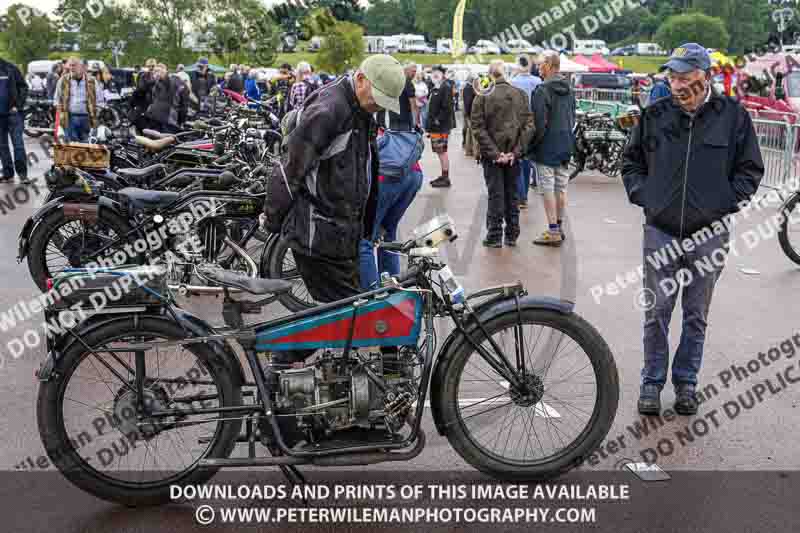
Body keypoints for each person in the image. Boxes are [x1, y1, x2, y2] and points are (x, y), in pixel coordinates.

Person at [622, 43, 764, 416]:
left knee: (696, 314)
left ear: (705, 78)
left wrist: (725, 203)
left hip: (709, 233)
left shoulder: (733, 116)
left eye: (685, 76)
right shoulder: (655, 115)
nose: (677, 83)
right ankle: (651, 382)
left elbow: (750, 168)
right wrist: (646, 197)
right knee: (657, 311)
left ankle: (686, 383)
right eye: (673, 76)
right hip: (661, 231)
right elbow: (631, 162)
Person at [264, 54, 405, 321]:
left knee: (345, 316)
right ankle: (291, 350)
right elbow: (289, 167)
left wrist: (366, 227)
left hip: (341, 234)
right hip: (319, 235)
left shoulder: (360, 109)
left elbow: (365, 168)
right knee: (349, 318)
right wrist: (273, 219)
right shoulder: (330, 109)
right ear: (361, 79)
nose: (378, 106)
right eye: (378, 97)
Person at [471, 60, 534, 248]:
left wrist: (495, 154)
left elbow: (477, 127)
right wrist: (515, 152)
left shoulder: (482, 96)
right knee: (512, 194)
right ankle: (512, 234)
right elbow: (529, 126)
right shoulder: (520, 95)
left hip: (493, 155)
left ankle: (495, 235)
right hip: (513, 153)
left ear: (490, 74)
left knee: (496, 194)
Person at [528, 51, 576, 247]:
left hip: (547, 144)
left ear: (548, 66)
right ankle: (559, 225)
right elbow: (573, 116)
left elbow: (539, 123)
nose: (538, 68)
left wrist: (531, 145)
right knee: (561, 187)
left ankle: (553, 230)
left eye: (540, 65)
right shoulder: (569, 88)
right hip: (565, 143)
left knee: (547, 188)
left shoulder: (542, 90)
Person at [510, 54, 542, 209]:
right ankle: (527, 192)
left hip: (517, 123)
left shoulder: (513, 82)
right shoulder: (537, 81)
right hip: (533, 122)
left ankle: (521, 196)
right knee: (528, 158)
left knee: (518, 158)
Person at [54, 58, 98, 143]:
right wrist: (61, 117)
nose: (71, 68)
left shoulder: (92, 81)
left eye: (74, 65)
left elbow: (100, 100)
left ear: (81, 67)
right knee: (72, 146)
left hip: (87, 119)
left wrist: (96, 114)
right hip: (70, 119)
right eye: (70, 65)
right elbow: (57, 99)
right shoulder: (63, 80)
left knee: (87, 145)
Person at [0, 56, 28, 183]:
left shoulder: (11, 68)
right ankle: (8, 174)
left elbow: (23, 87)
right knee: (2, 146)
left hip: (13, 114)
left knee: (18, 145)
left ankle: (22, 174)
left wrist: (18, 105)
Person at [427, 66, 454, 188]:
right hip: (437, 127)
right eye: (433, 73)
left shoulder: (445, 87)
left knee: (442, 151)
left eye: (437, 73)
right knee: (440, 151)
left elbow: (447, 107)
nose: (434, 75)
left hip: (440, 127)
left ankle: (445, 177)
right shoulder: (437, 86)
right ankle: (444, 175)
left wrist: (438, 120)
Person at [144, 63, 189, 134]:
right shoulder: (156, 84)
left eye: (158, 71)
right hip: (166, 120)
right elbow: (184, 104)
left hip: (156, 118)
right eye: (156, 71)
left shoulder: (158, 83)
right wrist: (182, 121)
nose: (157, 74)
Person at [129, 58, 157, 133]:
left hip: (156, 104)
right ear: (146, 66)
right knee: (144, 124)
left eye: (153, 66)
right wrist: (153, 81)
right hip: (145, 103)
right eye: (149, 66)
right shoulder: (143, 75)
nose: (151, 68)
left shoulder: (159, 75)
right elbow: (141, 88)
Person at [462, 73, 477, 158]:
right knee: (472, 133)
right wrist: (469, 115)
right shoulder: (469, 88)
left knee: (469, 131)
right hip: (470, 113)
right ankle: (474, 152)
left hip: (468, 113)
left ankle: (469, 151)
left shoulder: (467, 87)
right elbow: (468, 103)